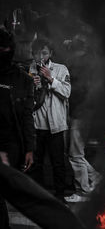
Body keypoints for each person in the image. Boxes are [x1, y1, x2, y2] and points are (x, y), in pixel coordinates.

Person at [0, 28, 35, 228]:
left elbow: (26, 116)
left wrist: (29, 148)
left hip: (12, 144)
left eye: (5, 48)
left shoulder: (23, 79)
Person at [31, 37, 71, 203]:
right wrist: (33, 85)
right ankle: (39, 197)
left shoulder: (61, 69)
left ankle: (60, 196)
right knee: (37, 163)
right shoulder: (30, 69)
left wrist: (51, 79)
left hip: (56, 125)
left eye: (45, 52)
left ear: (51, 53)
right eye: (37, 53)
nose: (41, 56)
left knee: (58, 162)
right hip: (38, 124)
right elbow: (28, 99)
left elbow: (67, 92)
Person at [64, 35, 102, 202]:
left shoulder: (80, 65)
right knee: (76, 153)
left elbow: (77, 92)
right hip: (85, 114)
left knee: (75, 154)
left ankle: (82, 191)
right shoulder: (92, 63)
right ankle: (96, 177)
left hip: (80, 114)